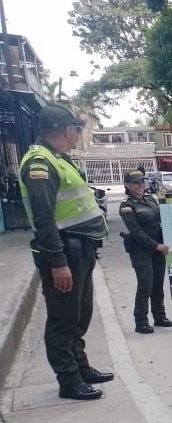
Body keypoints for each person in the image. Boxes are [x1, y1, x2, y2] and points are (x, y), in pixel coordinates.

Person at [18, 105, 111, 400]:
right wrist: (57, 263)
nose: (77, 134)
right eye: (76, 129)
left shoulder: (58, 159)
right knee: (63, 318)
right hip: (64, 252)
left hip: (80, 249)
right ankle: (69, 381)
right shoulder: (39, 164)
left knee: (80, 314)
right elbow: (44, 220)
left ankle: (81, 367)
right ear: (65, 129)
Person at [120, 170, 172, 334]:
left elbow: (163, 219)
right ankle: (141, 321)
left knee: (157, 284)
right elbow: (136, 232)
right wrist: (155, 246)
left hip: (158, 248)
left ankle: (159, 316)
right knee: (145, 284)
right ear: (127, 185)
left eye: (142, 182)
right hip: (141, 250)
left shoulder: (151, 200)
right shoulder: (127, 206)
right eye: (136, 183)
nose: (140, 185)